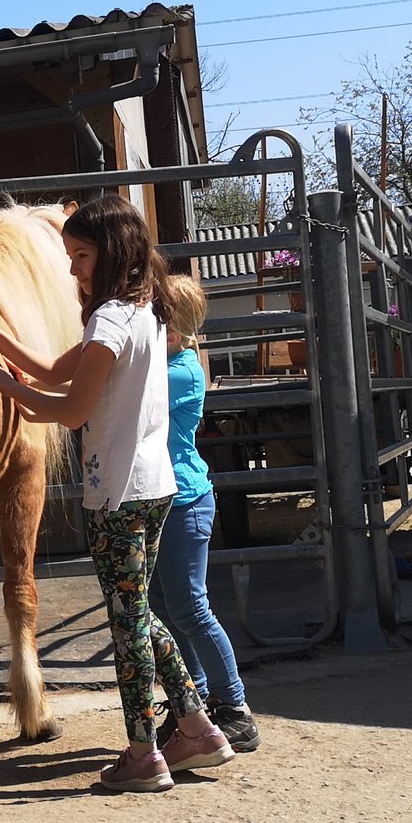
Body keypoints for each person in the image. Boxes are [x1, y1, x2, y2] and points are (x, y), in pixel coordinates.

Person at [0, 193, 235, 793]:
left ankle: (143, 752)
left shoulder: (108, 320)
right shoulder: (144, 313)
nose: (73, 269)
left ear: (111, 253)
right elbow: (58, 370)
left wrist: (7, 387)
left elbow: (69, 406)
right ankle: (197, 729)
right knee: (136, 613)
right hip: (153, 487)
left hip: (118, 495)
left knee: (126, 625)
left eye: (80, 256)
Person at [147, 276, 259, 754]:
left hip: (185, 502)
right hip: (162, 500)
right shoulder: (169, 360)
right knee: (164, 611)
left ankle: (235, 709)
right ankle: (189, 701)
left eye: (156, 316)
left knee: (191, 609)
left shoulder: (177, 371)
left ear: (174, 328)